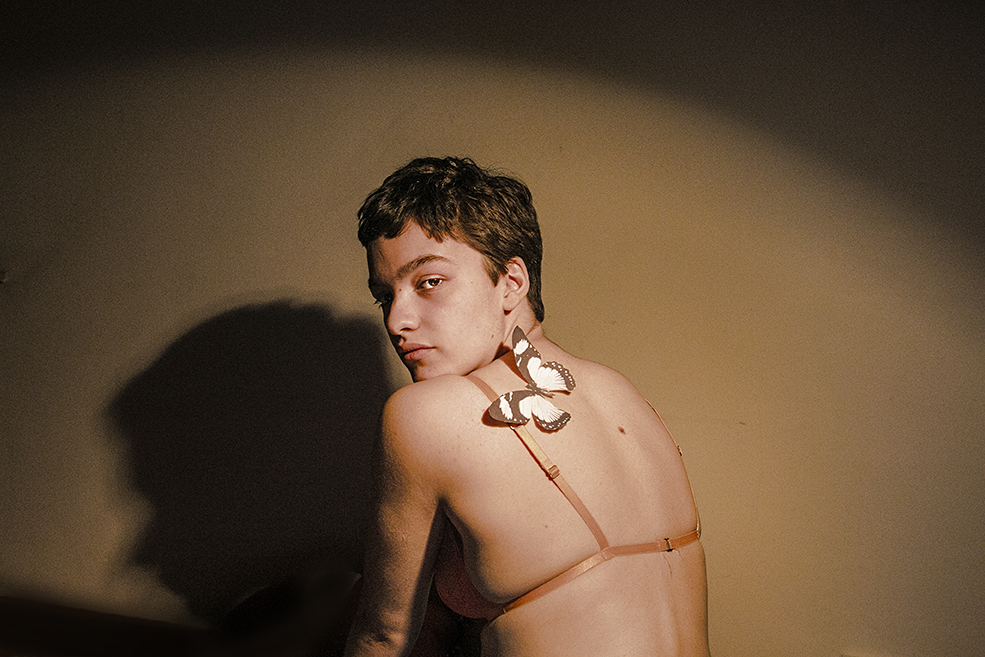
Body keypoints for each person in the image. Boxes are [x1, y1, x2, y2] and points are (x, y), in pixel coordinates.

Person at [344, 157, 709, 657]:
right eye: (385, 297)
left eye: (429, 282)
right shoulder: (623, 393)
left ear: (512, 282)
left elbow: (383, 639)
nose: (397, 321)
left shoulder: (422, 414)